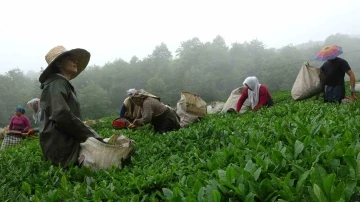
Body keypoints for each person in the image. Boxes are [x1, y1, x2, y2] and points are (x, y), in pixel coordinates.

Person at [38, 45, 103, 168]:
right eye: (70, 58)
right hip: (61, 146)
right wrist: (92, 135)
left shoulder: (61, 84)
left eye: (75, 58)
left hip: (65, 144)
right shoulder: (56, 84)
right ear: (59, 64)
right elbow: (61, 115)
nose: (75, 61)